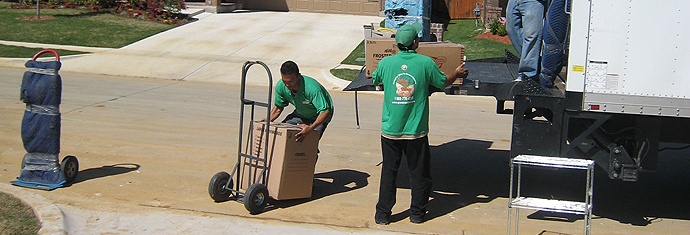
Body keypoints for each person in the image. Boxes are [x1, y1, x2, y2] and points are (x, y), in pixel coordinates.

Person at [371, 23, 468, 225]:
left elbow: (375, 78)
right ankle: (417, 215)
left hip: (390, 131)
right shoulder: (426, 63)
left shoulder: (386, 64)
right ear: (415, 42)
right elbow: (443, 82)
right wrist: (457, 74)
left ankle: (382, 215)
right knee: (419, 174)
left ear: (396, 44)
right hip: (415, 132)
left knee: (389, 172)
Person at [267, 61, 333, 143]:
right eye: (285, 82)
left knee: (308, 142)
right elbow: (278, 107)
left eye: (290, 82)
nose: (287, 85)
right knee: (282, 135)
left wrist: (310, 128)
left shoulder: (312, 89)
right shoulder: (281, 86)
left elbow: (325, 111)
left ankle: (311, 152)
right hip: (300, 115)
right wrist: (268, 120)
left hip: (318, 117)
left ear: (298, 76)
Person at [506, 0, 546, 82]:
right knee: (511, 29)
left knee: (531, 36)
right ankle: (531, 61)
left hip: (534, 1)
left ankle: (528, 75)